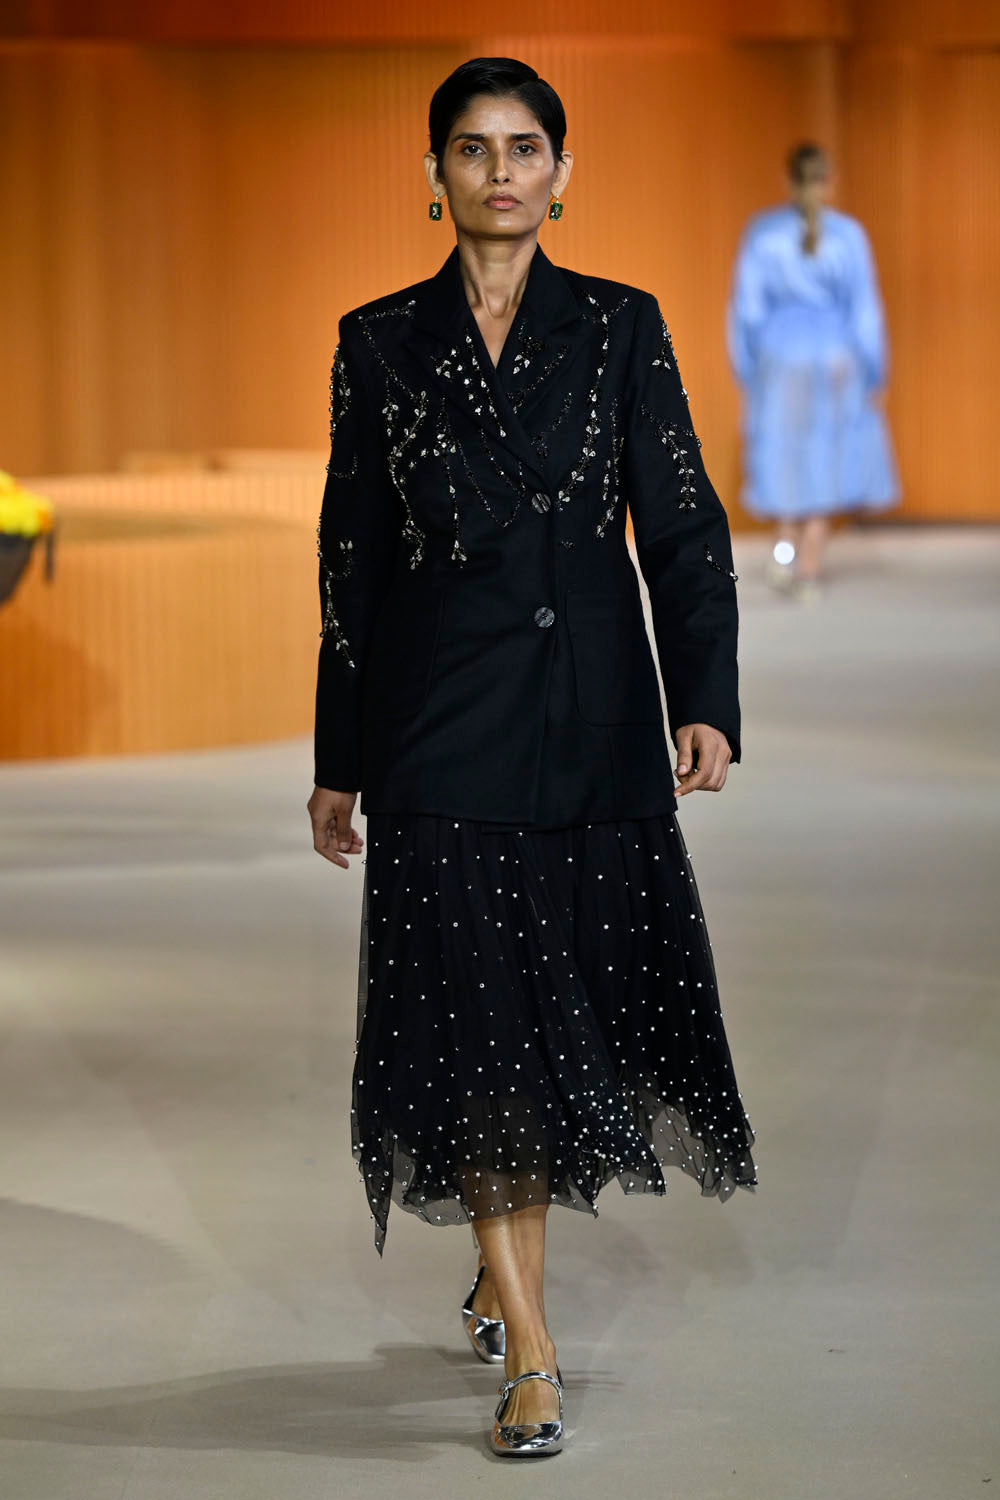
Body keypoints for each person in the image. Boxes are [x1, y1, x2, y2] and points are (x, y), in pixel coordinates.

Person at [307, 56, 757, 1458]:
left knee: (569, 1015)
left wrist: (706, 696)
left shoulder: (619, 325)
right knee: (479, 1020)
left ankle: (499, 1275)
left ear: (562, 172)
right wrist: (339, 756)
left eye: (523, 148)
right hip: (439, 729)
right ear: (433, 174)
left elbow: (678, 521)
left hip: (589, 719)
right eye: (472, 148)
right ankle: (536, 1355)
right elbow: (351, 561)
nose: (499, 172)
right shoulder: (379, 340)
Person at [726, 142, 900, 598]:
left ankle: (784, 553)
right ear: (829, 181)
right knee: (829, 452)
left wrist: (747, 367)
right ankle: (809, 568)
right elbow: (865, 311)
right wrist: (875, 370)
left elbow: (746, 309)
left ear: (788, 180)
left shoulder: (762, 232)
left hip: (779, 357)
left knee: (784, 454)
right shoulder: (849, 235)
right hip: (836, 357)